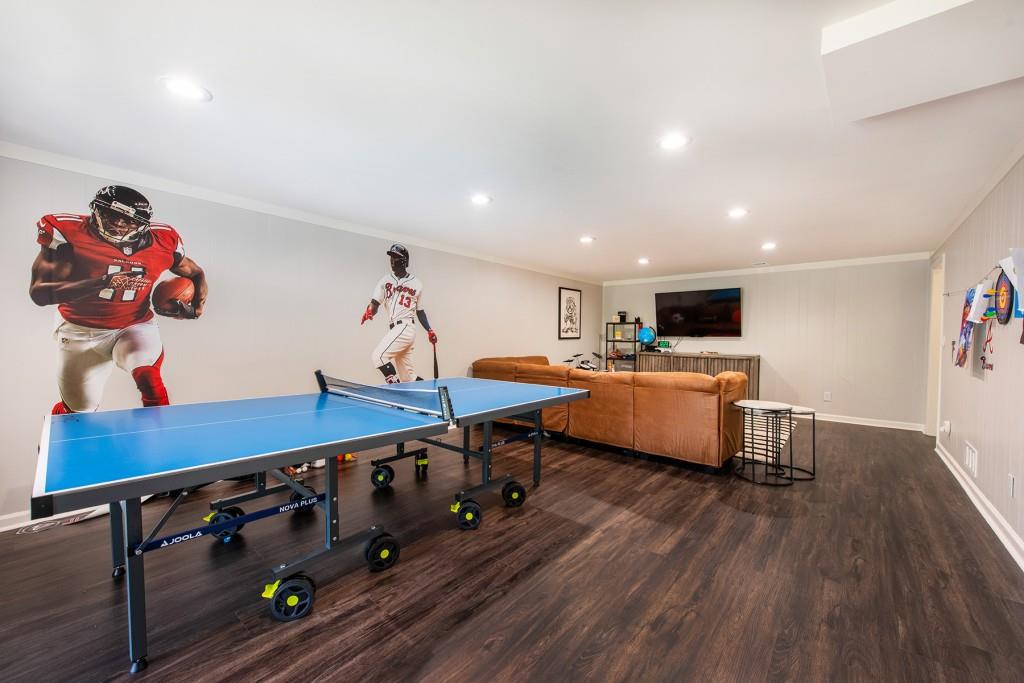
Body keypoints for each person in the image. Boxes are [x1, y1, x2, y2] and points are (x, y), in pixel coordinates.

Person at [29, 185, 208, 413]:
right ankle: (60, 429)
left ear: (143, 225)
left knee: (149, 380)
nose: (118, 224)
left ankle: (160, 432)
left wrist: (196, 308)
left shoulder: (163, 241)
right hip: (79, 331)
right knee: (79, 410)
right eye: (110, 215)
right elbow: (39, 293)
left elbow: (196, 272)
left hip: (133, 325)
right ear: (96, 210)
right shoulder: (68, 233)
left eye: (128, 220)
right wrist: (102, 282)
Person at [361, 243, 437, 383]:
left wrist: (429, 330)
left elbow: (420, 311)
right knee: (408, 378)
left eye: (396, 257)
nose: (392, 260)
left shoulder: (417, 283)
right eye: (391, 257)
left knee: (379, 356)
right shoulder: (385, 280)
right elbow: (375, 303)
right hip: (396, 329)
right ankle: (431, 392)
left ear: (404, 261)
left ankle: (395, 390)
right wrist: (370, 310)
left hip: (406, 327)